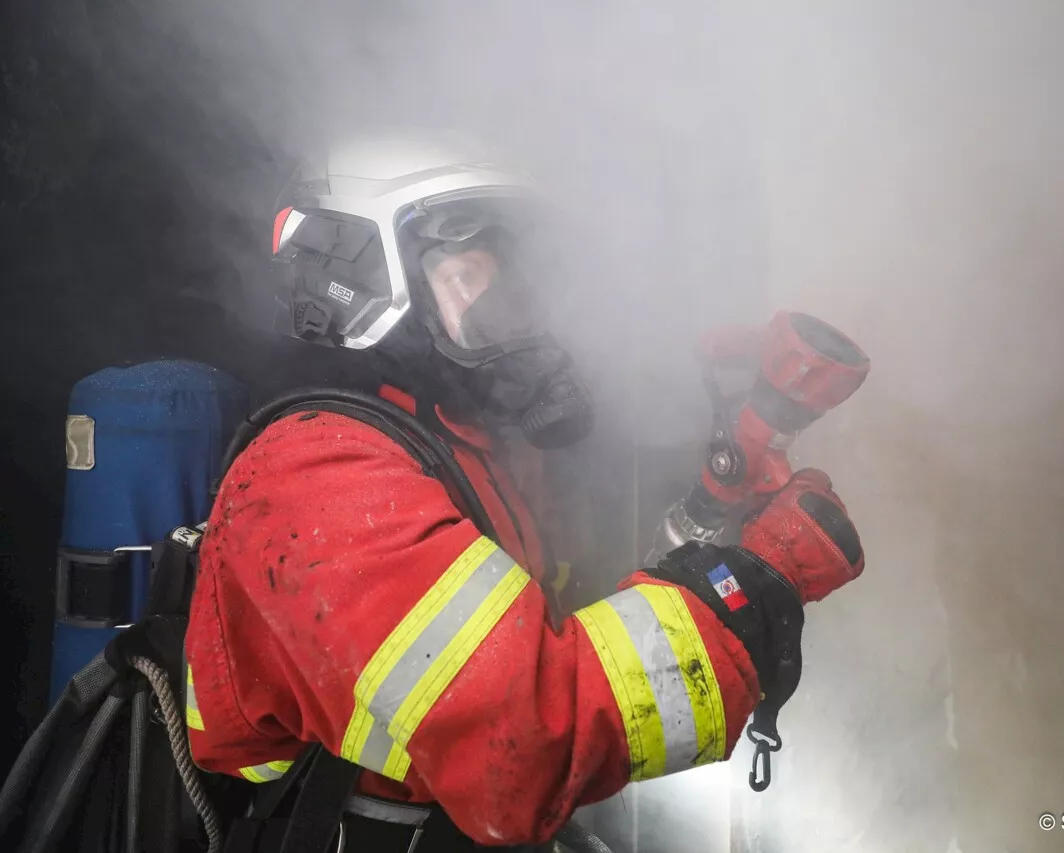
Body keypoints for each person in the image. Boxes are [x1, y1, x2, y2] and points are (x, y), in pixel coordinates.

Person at [183, 140, 867, 849]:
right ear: (360, 271)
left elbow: (550, 640)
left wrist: (714, 521)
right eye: (472, 272)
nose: (511, 309)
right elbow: (527, 746)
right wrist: (753, 582)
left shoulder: (448, 450)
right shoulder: (319, 478)